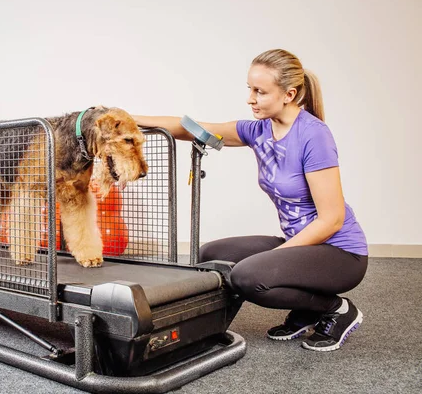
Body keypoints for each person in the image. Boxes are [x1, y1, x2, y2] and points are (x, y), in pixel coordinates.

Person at [132, 49, 368, 352]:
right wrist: (127, 118)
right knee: (211, 255)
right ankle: (306, 310)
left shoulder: (313, 136)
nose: (250, 98)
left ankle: (335, 309)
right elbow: (190, 127)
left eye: (260, 91)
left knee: (248, 276)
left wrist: (278, 256)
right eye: (249, 89)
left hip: (340, 253)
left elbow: (332, 219)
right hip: (302, 244)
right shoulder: (259, 130)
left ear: (289, 94)